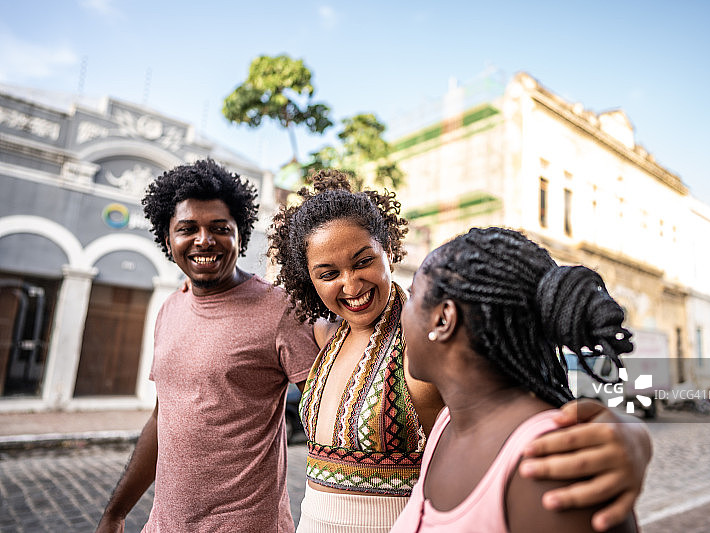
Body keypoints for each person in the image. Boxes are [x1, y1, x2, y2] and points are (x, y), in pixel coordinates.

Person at [269, 169, 651, 533]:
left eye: (364, 261)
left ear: (388, 252)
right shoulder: (324, 336)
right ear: (309, 278)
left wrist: (627, 434)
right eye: (328, 273)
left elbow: (509, 413)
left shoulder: (428, 351)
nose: (350, 283)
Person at [96, 159, 320, 533]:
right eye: (188, 229)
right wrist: (115, 513)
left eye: (219, 228)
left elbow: (328, 417)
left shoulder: (280, 310)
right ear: (168, 239)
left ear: (240, 235)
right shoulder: (169, 309)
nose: (203, 239)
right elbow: (161, 418)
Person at [390, 226, 640, 532]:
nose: (403, 312)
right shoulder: (446, 424)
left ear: (443, 319)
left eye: (413, 295)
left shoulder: (550, 463)